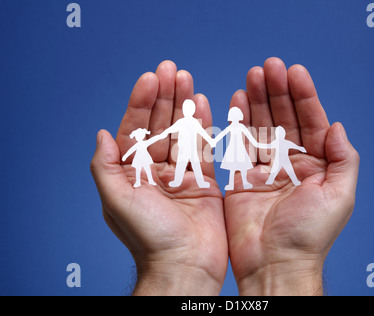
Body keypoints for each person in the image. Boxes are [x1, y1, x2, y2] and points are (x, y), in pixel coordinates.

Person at [91, 58, 360, 296]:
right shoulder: (190, 124)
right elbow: (175, 133)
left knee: (195, 170)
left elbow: (217, 136)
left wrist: (290, 262)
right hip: (184, 151)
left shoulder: (208, 126)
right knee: (192, 169)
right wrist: (170, 264)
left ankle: (184, 182)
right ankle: (179, 182)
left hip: (202, 152)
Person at [159, 99, 215, 189]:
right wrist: (164, 133)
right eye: (186, 108)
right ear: (183, 110)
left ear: (193, 110)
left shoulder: (194, 122)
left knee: (196, 165)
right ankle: (177, 181)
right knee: (180, 165)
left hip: (192, 149)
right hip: (183, 149)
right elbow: (171, 129)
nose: (187, 111)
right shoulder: (181, 122)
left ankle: (201, 182)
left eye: (189, 109)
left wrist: (210, 140)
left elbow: (202, 132)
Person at [213, 107, 262, 191]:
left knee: (242, 167)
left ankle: (245, 182)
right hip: (232, 148)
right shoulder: (231, 127)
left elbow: (248, 135)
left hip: (240, 148)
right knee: (232, 169)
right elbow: (222, 134)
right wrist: (214, 141)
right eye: (233, 115)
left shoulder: (241, 126)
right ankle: (231, 184)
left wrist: (255, 143)